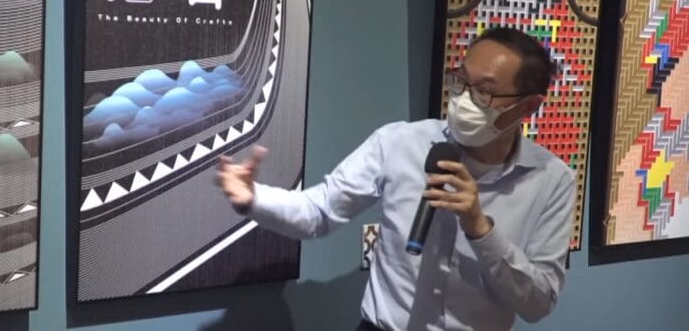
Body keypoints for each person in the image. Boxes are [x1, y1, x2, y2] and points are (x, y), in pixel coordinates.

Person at [217, 27, 575, 331]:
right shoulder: (401, 143)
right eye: (461, 81)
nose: (465, 99)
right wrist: (253, 198)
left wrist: (480, 229)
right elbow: (319, 211)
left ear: (528, 106)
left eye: (484, 91)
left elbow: (538, 303)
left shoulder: (552, 180)